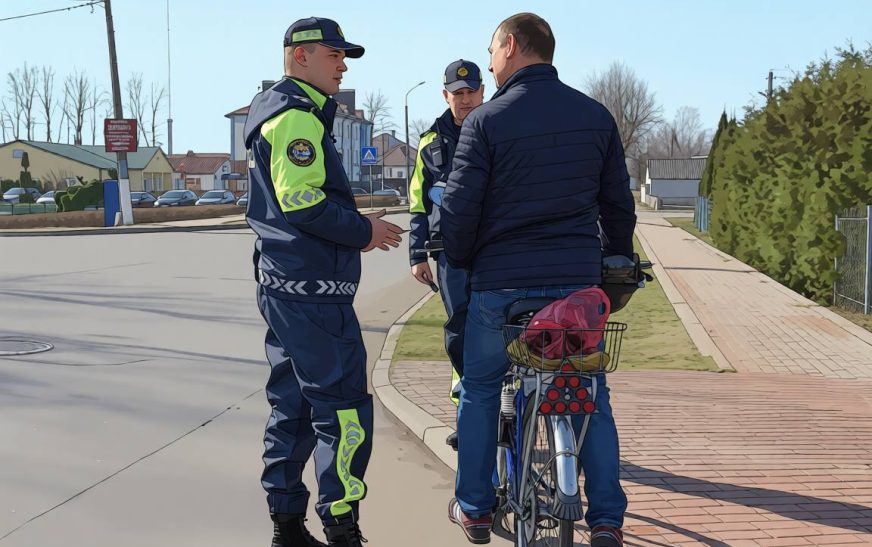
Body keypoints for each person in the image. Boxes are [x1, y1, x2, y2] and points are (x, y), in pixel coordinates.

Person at [440, 12, 637, 547]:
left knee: (480, 389)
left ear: (510, 45)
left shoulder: (485, 122)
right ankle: (606, 519)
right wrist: (617, 261)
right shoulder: (595, 116)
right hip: (575, 289)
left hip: (502, 290)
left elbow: (458, 213)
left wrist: (458, 261)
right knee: (591, 393)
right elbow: (618, 206)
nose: (489, 64)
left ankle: (476, 509)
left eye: (492, 53)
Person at [243, 17, 403, 547]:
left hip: (286, 286)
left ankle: (287, 527)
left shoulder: (286, 113)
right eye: (334, 54)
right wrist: (365, 231)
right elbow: (301, 201)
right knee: (343, 408)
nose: (342, 65)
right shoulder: (295, 117)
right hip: (312, 292)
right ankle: (343, 528)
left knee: (295, 406)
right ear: (300, 56)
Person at [407, 59, 485, 449]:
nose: (466, 99)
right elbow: (418, 204)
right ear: (446, 96)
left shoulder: (497, 129)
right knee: (459, 330)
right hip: (449, 254)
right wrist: (416, 255)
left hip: (494, 250)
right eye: (458, 94)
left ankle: (502, 409)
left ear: (482, 92)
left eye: (471, 92)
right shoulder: (429, 143)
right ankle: (467, 414)